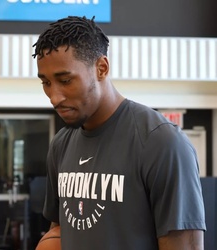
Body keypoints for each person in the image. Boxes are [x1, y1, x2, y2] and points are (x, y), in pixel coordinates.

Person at [33, 16, 206, 249]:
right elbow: (60, 231)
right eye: (46, 82)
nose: (54, 97)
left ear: (101, 68)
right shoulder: (61, 145)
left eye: (65, 80)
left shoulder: (162, 143)